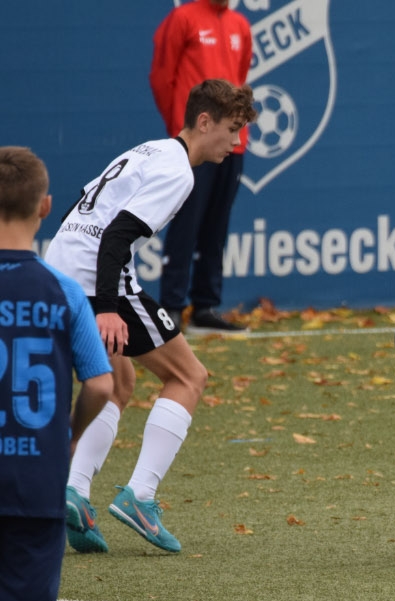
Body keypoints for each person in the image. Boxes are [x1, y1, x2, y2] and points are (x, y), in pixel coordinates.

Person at [44, 79, 257, 554]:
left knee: (117, 382)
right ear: (205, 122)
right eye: (232, 129)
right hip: (97, 278)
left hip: (64, 267)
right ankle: (140, 496)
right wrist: (105, 308)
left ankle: (74, 491)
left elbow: (81, 208)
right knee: (189, 376)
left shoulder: (150, 149)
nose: (236, 141)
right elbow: (115, 237)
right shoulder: (178, 172)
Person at [0, 147, 113, 601]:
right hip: (36, 476)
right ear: (45, 207)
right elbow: (101, 384)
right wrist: (69, 433)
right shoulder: (64, 291)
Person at [150, 0, 252, 334]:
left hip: (232, 144)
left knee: (216, 226)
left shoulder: (240, 25)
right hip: (194, 144)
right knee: (186, 222)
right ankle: (172, 307)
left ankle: (205, 307)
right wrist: (183, 131)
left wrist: (234, 131)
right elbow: (162, 77)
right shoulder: (183, 18)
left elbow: (239, 83)